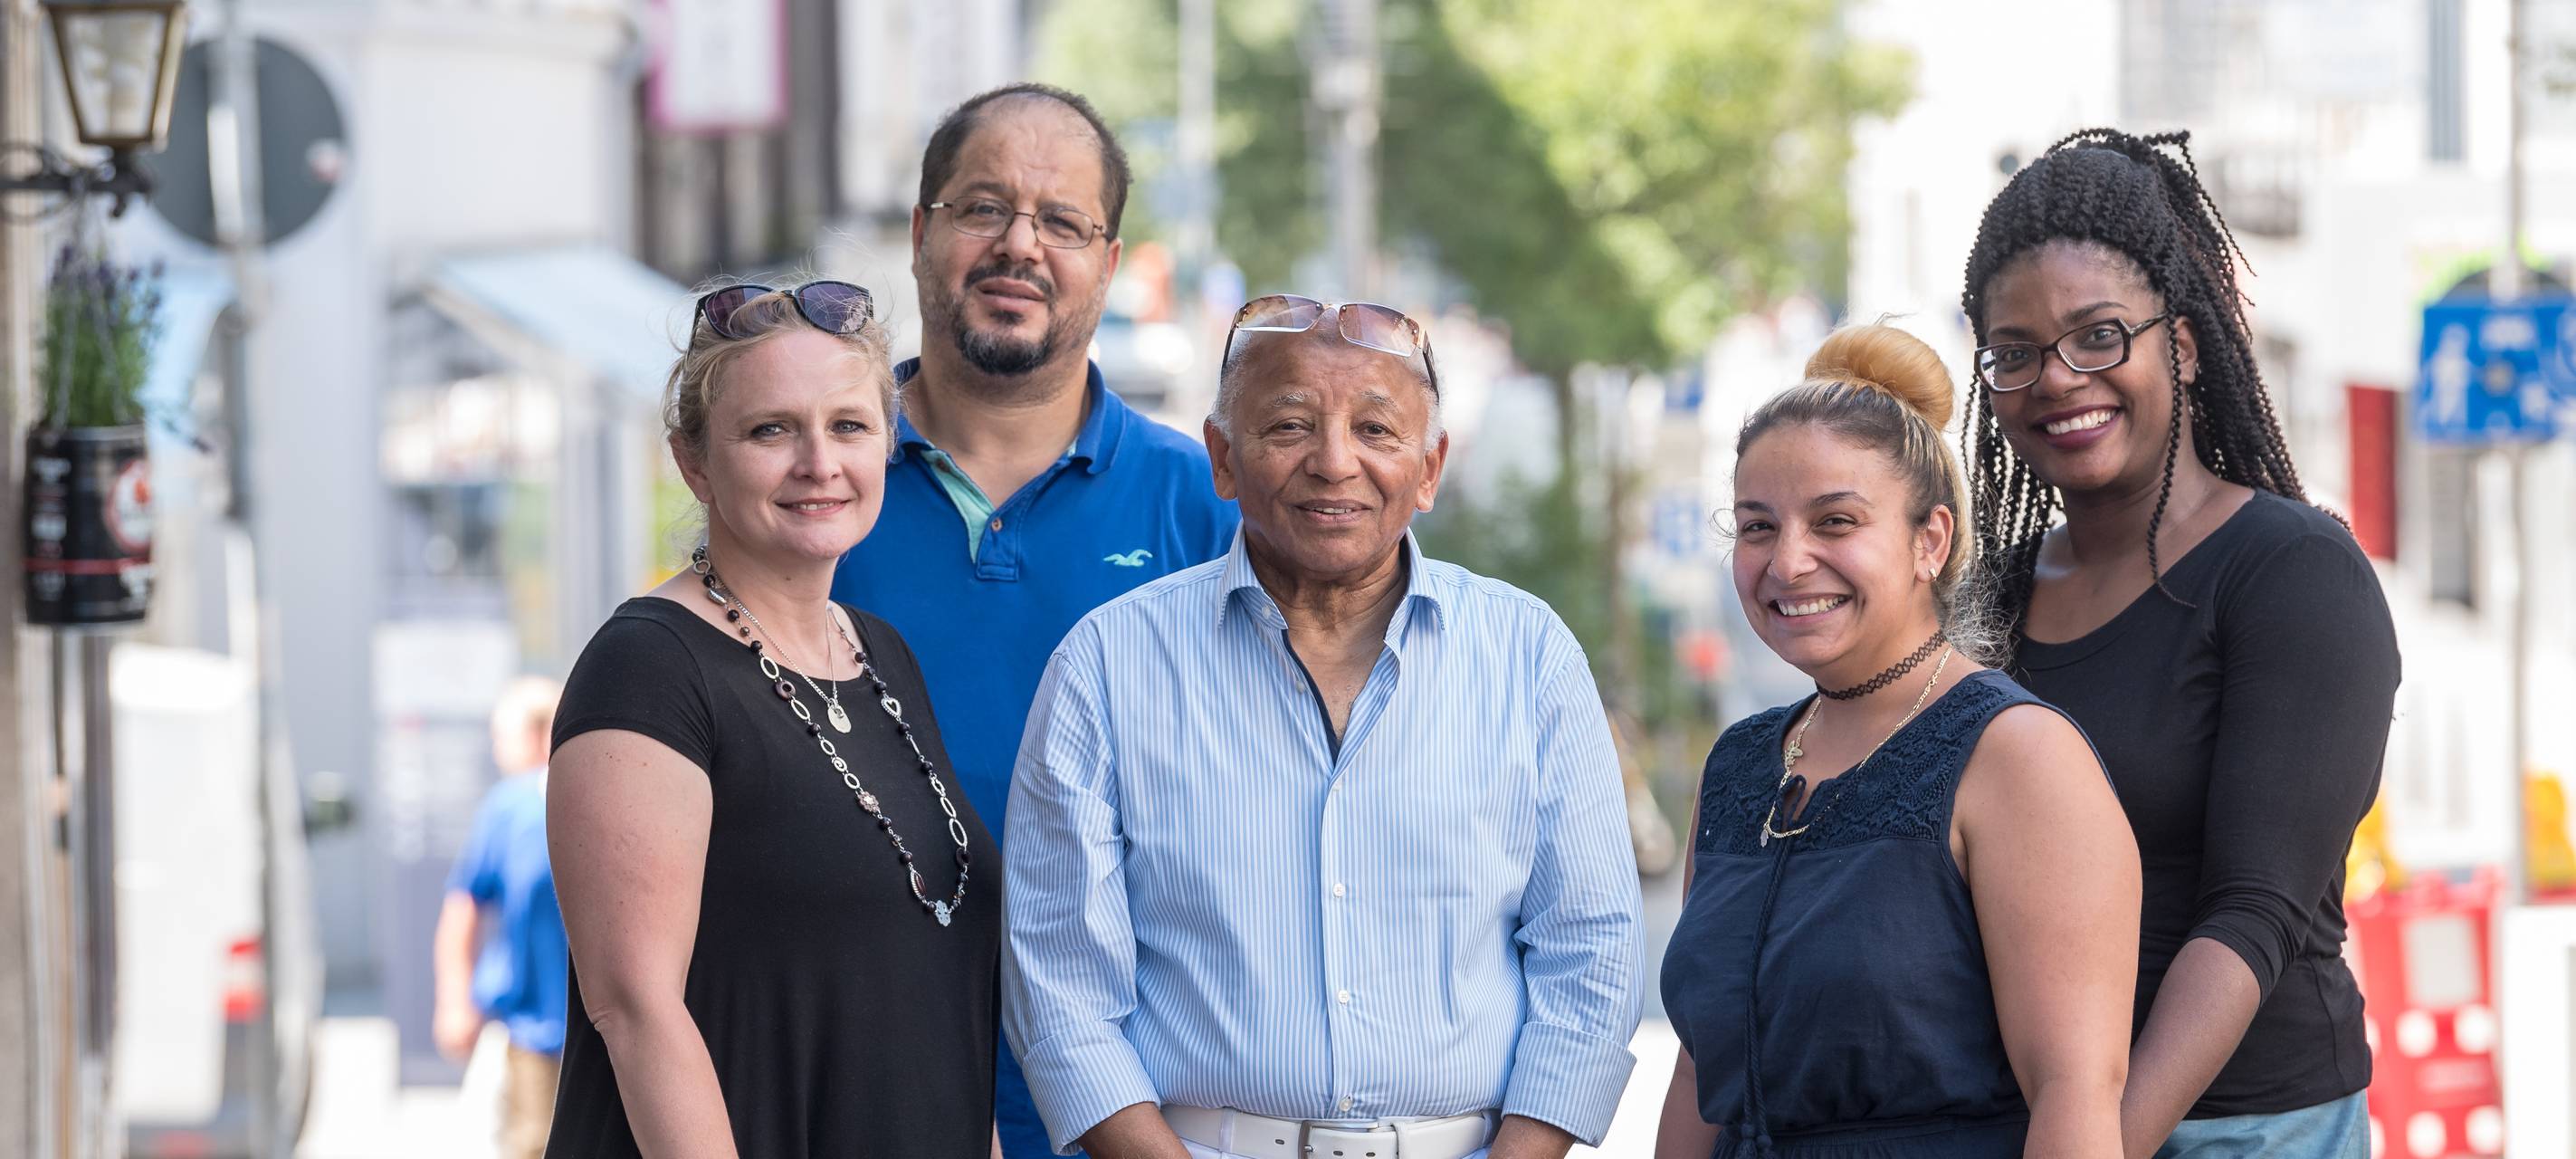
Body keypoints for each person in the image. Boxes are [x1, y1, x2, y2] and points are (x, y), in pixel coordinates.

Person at [1004, 295, 1645, 1159]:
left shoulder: (1528, 658)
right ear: (1223, 458)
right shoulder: (1108, 665)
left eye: (1377, 431)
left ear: (1430, 468)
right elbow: (1059, 993)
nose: (1335, 462)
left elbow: (1590, 956)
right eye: (1290, 426)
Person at [1959, 129, 2401, 1158]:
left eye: (2098, 335)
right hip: (2030, 1121)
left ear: (2185, 344)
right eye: (2012, 351)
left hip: (2243, 1127)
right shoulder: (1989, 597)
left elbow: (2251, 912)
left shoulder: (2291, 575)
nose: (2056, 377)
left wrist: (2097, 1140)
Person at [830, 84, 1238, 1158]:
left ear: (1108, 265)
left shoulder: (1200, 508)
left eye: (1062, 221)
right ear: (920, 234)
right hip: (851, 1079)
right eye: (982, 208)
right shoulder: (818, 491)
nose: (1020, 245)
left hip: (1135, 1100)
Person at [1655, 324, 2141, 1158]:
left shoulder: (2016, 756)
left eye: (1835, 521)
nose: (1789, 561)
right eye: (1758, 526)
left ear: (1930, 541)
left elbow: (2076, 1095)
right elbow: (1702, 1078)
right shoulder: (1740, 763)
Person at [544, 280, 1000, 1156]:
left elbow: (934, 1005)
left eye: (848, 426)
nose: (818, 462)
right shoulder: (647, 667)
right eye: (770, 429)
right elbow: (635, 1009)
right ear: (693, 461)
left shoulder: (881, 653)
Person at [433, 675, 570, 1159]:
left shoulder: (540, 804)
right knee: (532, 1141)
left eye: (502, 739)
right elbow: (464, 905)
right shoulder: (509, 810)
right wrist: (455, 1000)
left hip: (600, 1033)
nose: (497, 753)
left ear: (537, 735)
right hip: (534, 1031)